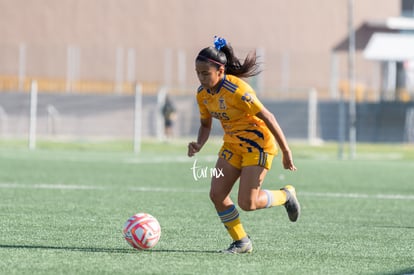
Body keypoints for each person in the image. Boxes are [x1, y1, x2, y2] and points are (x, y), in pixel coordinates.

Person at [187, 36, 301, 254]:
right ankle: (242, 242)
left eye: (205, 73)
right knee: (217, 195)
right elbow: (205, 124)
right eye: (198, 73)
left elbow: (269, 117)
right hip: (232, 145)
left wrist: (286, 152)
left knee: (248, 203)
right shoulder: (202, 95)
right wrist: (199, 144)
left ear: (220, 71)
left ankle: (286, 195)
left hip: (257, 145)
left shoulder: (238, 91)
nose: (201, 78)